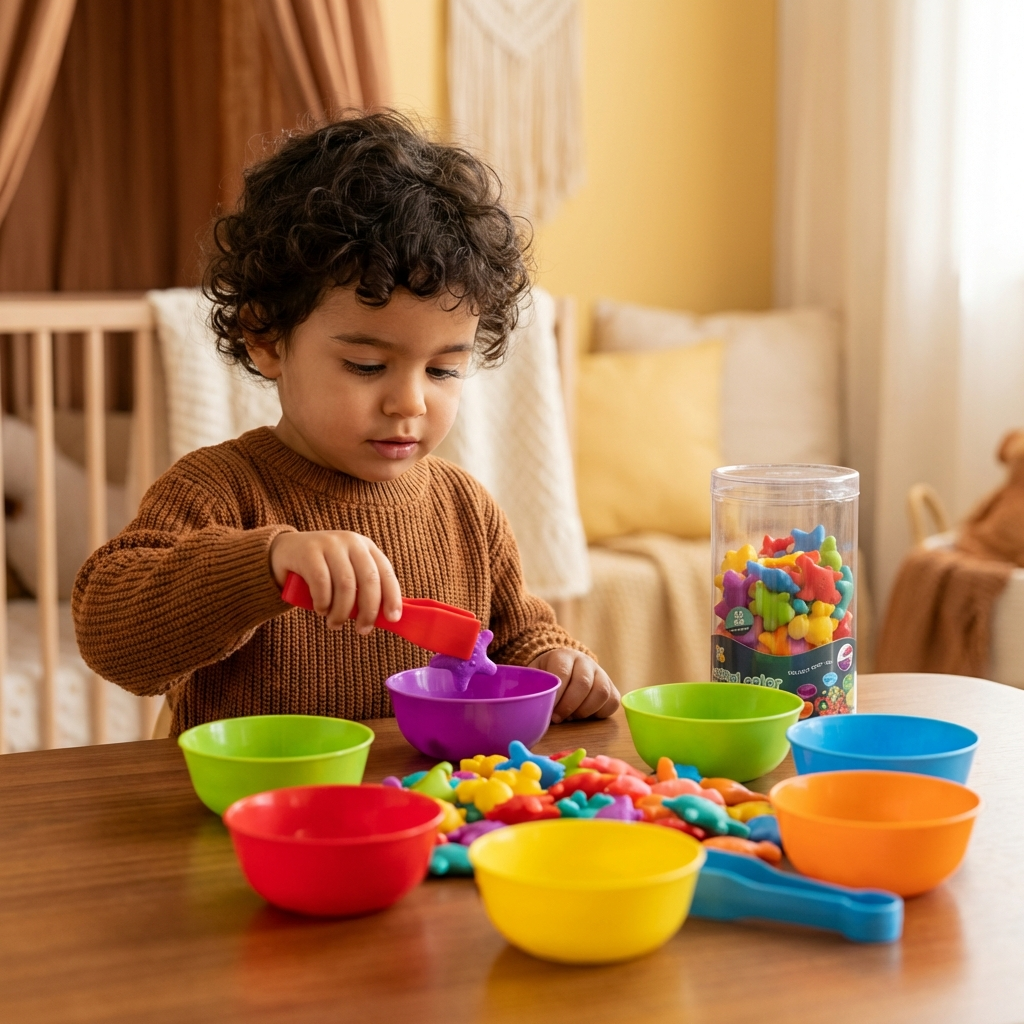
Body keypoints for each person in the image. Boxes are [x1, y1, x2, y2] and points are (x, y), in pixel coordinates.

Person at [72, 112, 619, 737]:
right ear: (267, 337)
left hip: (420, 815)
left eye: (443, 371)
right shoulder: (220, 489)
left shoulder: (465, 508)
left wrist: (556, 662)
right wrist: (266, 563)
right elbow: (110, 634)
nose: (408, 402)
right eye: (366, 365)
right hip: (255, 819)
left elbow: (514, 634)